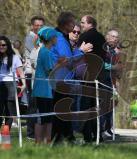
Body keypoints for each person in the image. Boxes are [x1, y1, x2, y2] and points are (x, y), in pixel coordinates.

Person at [50, 12, 92, 144]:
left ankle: (64, 138)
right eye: (73, 23)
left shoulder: (62, 38)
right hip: (59, 80)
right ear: (66, 24)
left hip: (63, 80)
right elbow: (67, 61)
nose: (75, 26)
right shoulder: (60, 38)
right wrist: (81, 51)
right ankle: (60, 139)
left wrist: (78, 50)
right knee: (61, 112)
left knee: (64, 112)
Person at [77, 15, 107, 142]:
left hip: (87, 76)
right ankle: (98, 135)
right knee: (96, 107)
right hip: (99, 76)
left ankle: (88, 137)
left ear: (90, 24)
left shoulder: (85, 37)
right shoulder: (101, 37)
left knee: (85, 107)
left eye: (83, 23)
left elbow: (78, 55)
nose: (81, 25)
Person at [32, 27, 57, 144]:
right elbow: (50, 71)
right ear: (51, 38)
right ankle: (38, 142)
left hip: (47, 90)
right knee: (42, 117)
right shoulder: (45, 52)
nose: (57, 39)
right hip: (42, 90)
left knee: (48, 117)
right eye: (55, 37)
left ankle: (47, 141)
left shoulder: (47, 52)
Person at [24, 16, 45, 140]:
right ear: (33, 26)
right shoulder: (30, 38)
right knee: (33, 104)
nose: (39, 27)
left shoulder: (41, 39)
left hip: (40, 75)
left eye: (41, 25)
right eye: (37, 25)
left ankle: (40, 131)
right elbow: (36, 55)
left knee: (40, 103)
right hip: (30, 74)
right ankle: (30, 133)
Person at [0, 36, 26, 129]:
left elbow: (21, 71)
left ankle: (5, 140)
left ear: (7, 46)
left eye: (3, 45)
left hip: (11, 84)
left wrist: (24, 84)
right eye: (0, 45)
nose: (1, 47)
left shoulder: (14, 57)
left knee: (9, 112)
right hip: (0, 84)